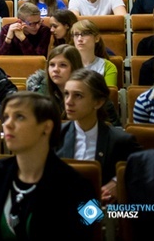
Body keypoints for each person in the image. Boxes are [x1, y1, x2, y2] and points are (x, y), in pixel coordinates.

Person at [0, 92, 96, 241]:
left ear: (46, 127)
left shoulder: (78, 185)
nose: (8, 124)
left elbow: (88, 234)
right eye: (6, 117)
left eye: (19, 117)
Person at [58, 69, 142, 203]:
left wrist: (116, 182)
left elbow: (141, 170)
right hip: (62, 205)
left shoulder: (120, 140)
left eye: (78, 95)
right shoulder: (54, 136)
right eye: (66, 94)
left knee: (88, 217)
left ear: (98, 102)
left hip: (101, 210)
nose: (68, 101)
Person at [26, 44, 83, 116]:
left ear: (75, 67)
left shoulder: (87, 94)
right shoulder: (40, 93)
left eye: (63, 65)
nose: (55, 69)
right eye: (52, 65)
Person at [70, 20, 117, 87]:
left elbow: (108, 95)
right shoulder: (65, 64)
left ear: (97, 38)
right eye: (76, 34)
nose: (79, 39)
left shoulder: (108, 67)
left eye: (85, 33)